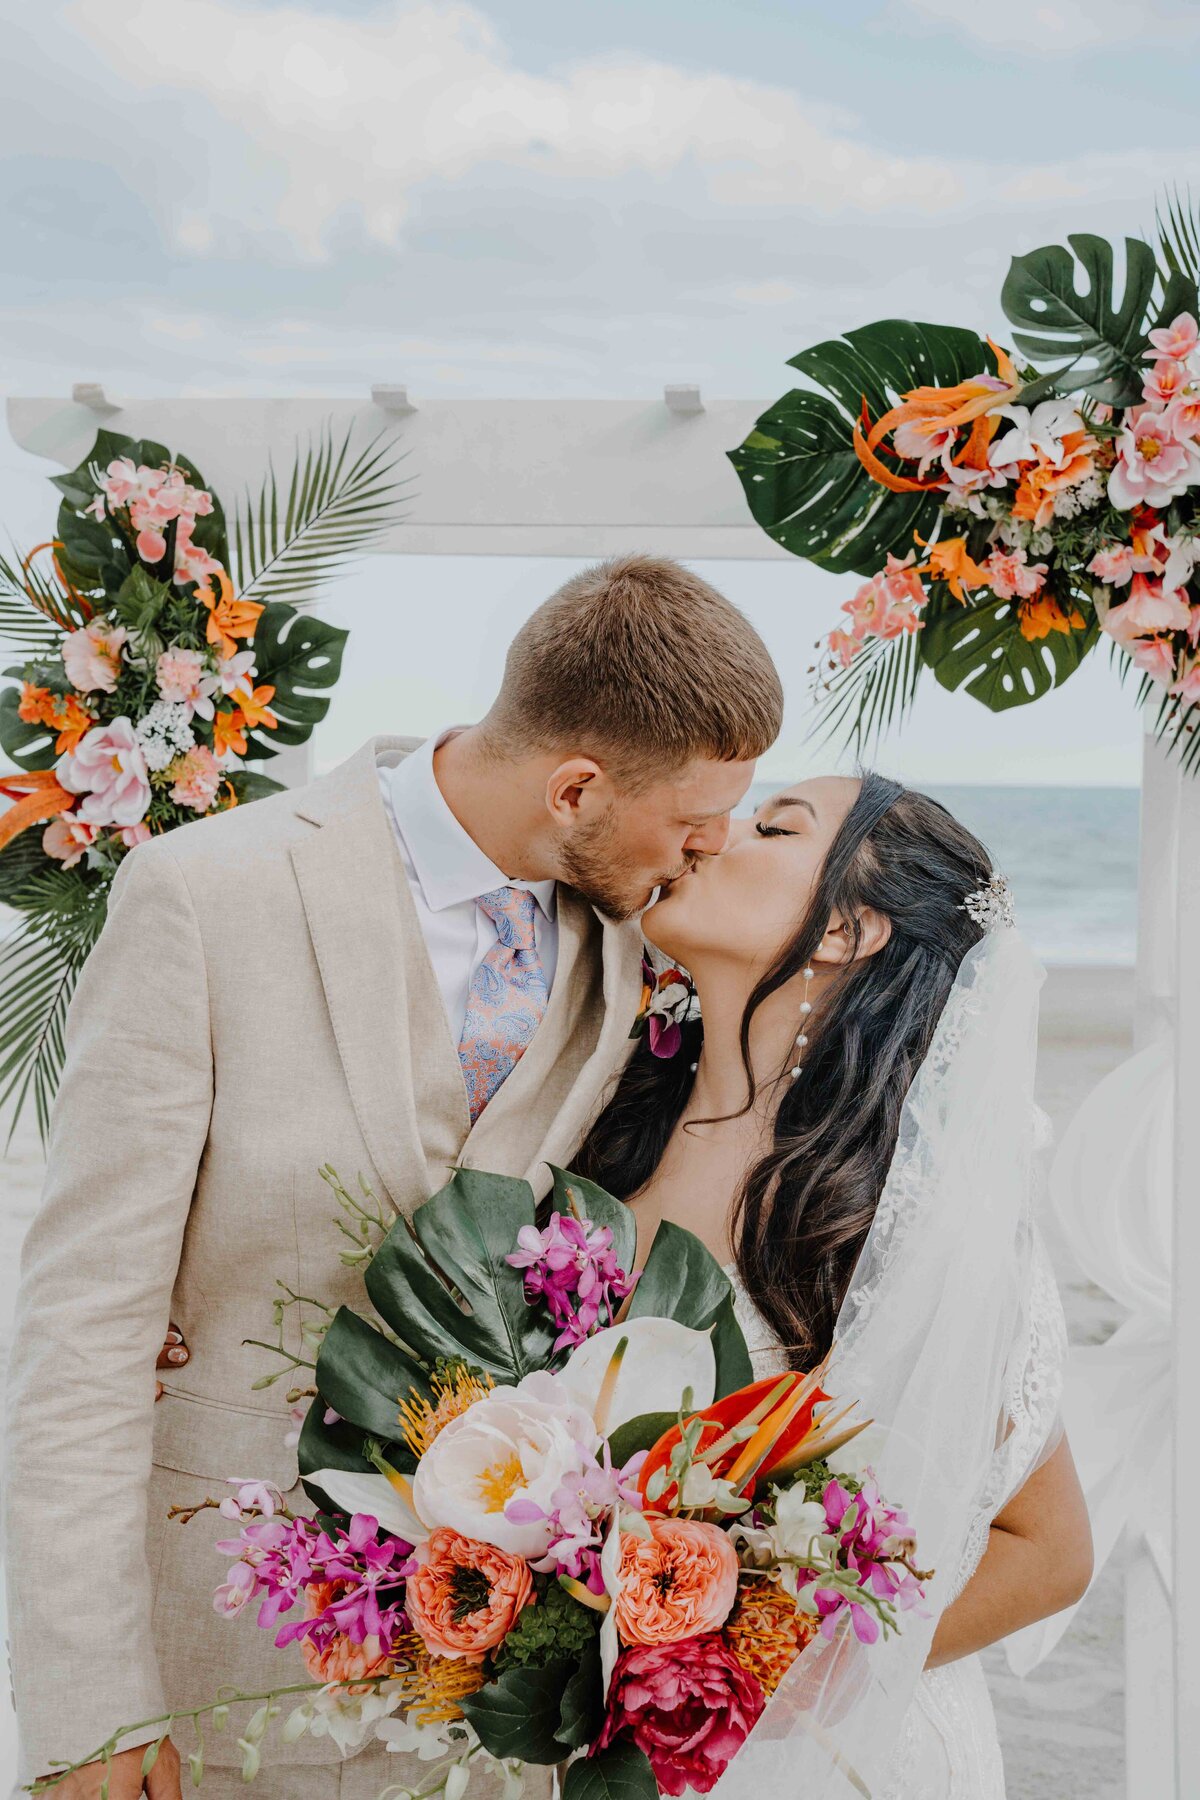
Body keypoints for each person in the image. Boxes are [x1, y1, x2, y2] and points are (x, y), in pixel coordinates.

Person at [3, 555, 783, 1800]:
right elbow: (81, 1331)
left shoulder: (640, 941)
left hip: (489, 1696)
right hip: (220, 1648)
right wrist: (85, 1709)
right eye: (693, 820)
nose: (713, 846)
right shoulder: (207, 897)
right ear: (575, 787)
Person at [575, 772, 1093, 1799]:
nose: (714, 835)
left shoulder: (900, 1207)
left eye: (773, 826)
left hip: (831, 1759)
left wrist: (747, 1690)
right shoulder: (600, 1128)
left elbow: (1049, 1552)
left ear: (847, 931)